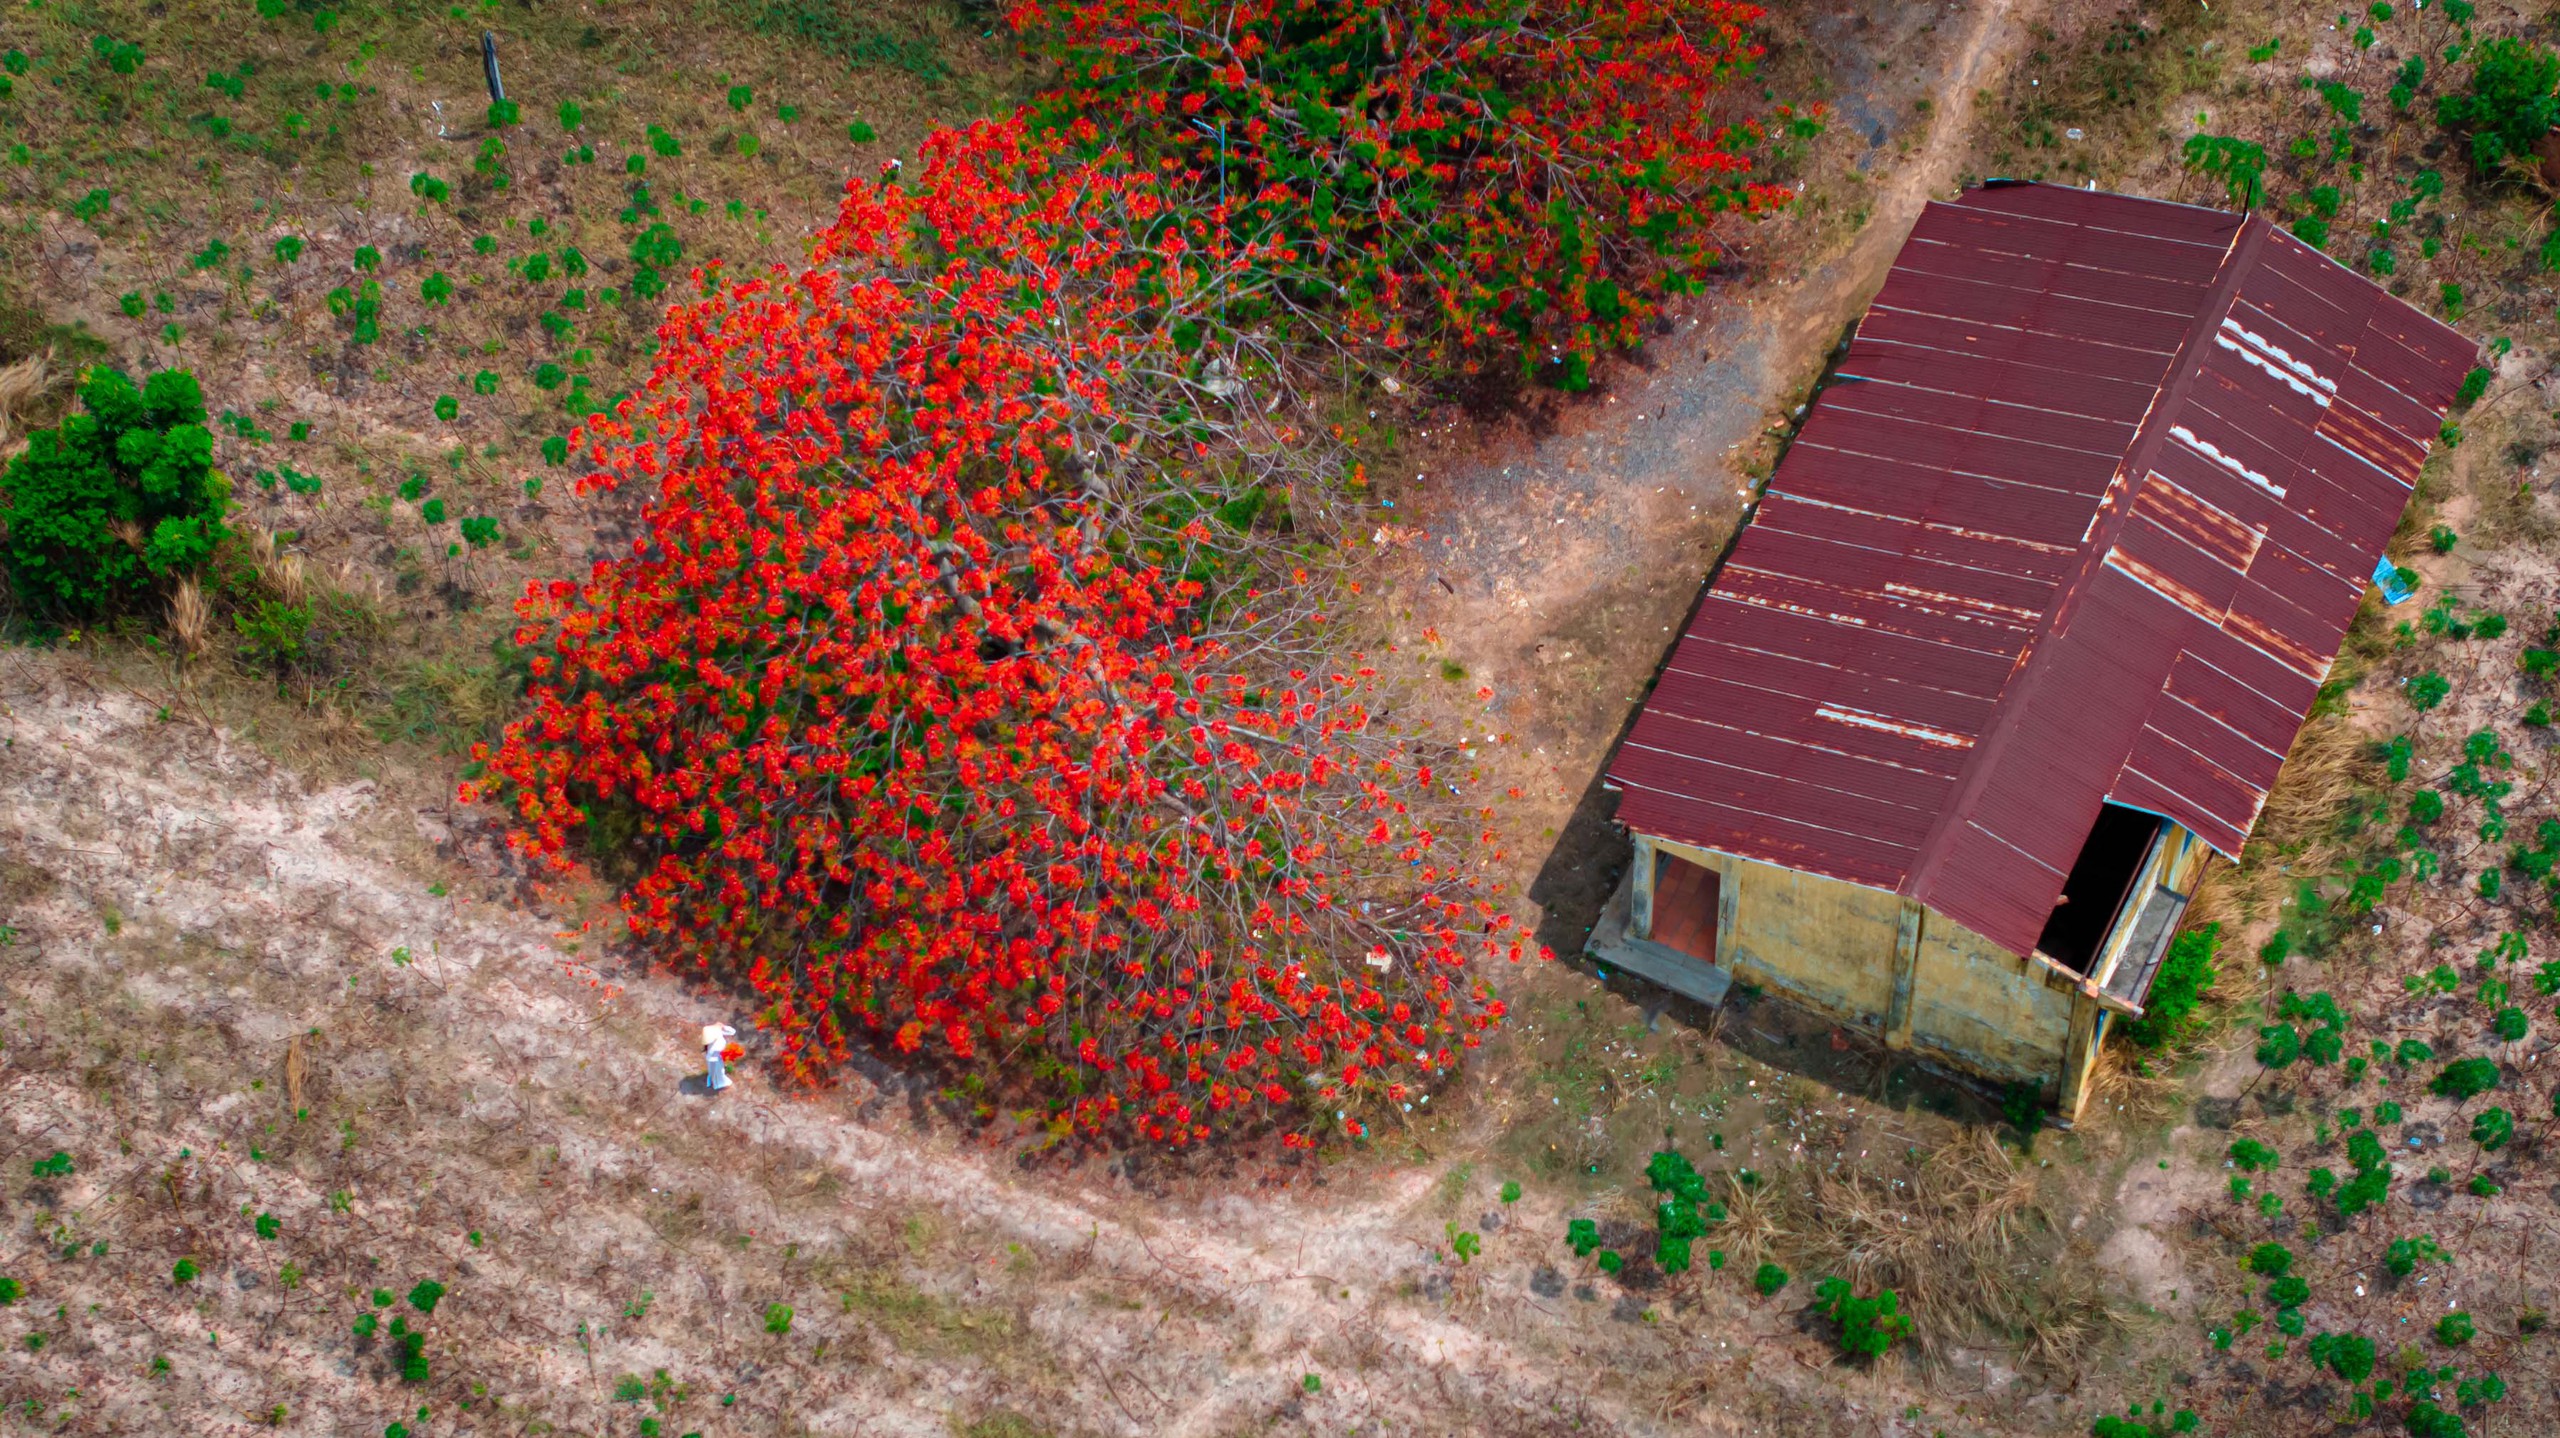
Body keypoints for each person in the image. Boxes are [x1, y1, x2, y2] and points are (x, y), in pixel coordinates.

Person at [701, 1023, 738, 1093]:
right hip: (715, 1058)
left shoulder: (716, 1035)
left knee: (715, 1071)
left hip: (715, 1057)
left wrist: (723, 1027)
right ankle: (720, 1084)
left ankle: (715, 1081)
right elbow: (717, 1051)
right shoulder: (713, 1043)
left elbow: (732, 1032)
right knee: (719, 1072)